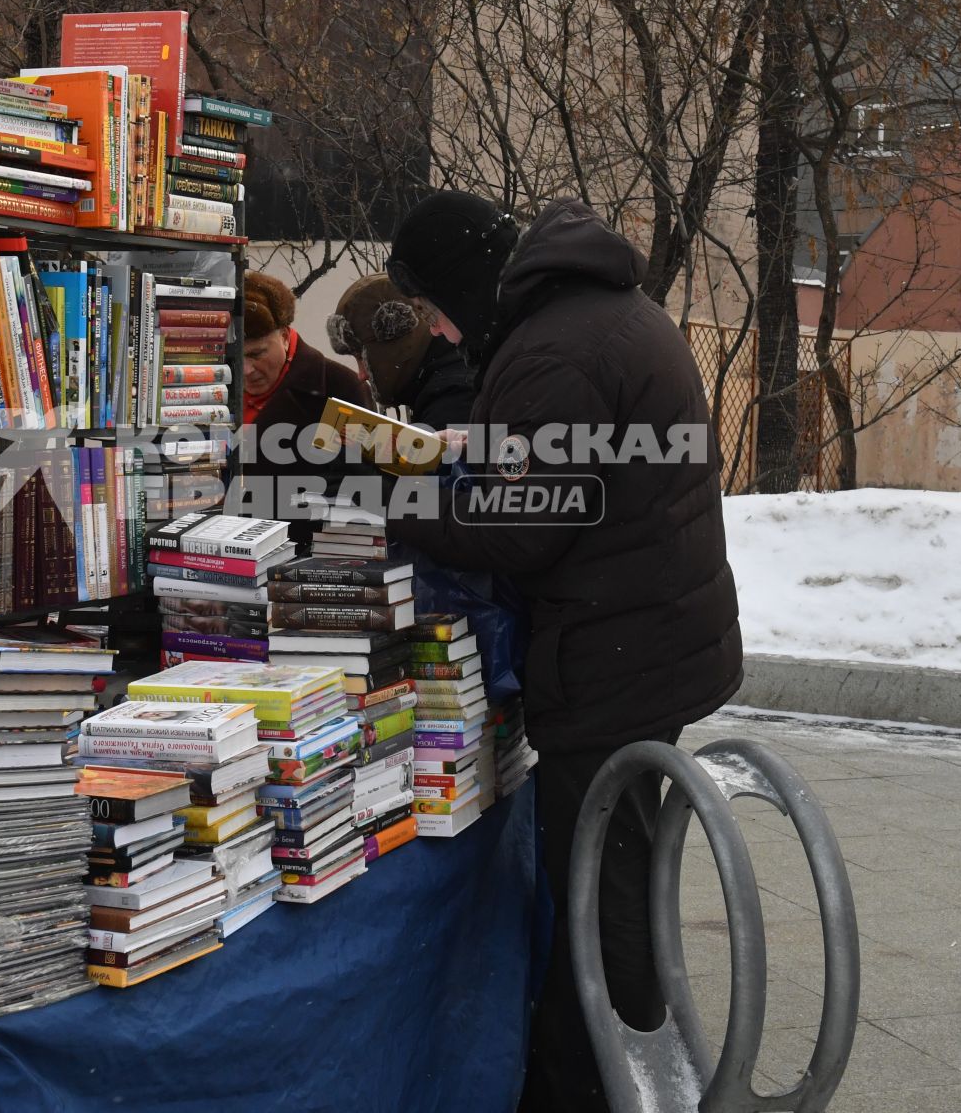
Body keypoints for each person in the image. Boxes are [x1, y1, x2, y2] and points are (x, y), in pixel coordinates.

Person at [383, 191, 741, 1112]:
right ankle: (618, 1064)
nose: (446, 332)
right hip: (646, 632)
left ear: (462, 281)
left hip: (613, 652)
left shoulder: (552, 349)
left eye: (437, 306)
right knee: (616, 865)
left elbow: (524, 524)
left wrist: (396, 501)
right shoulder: (591, 313)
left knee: (599, 885)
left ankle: (589, 1086)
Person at [234, 270, 371, 502]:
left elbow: (360, 488)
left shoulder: (341, 389)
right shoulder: (213, 385)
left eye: (257, 354)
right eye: (237, 358)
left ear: (285, 337)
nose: (247, 369)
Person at [326, 274, 476, 431]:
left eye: (362, 358)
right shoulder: (444, 379)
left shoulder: (451, 401)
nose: (361, 375)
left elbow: (447, 455)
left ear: (392, 342)